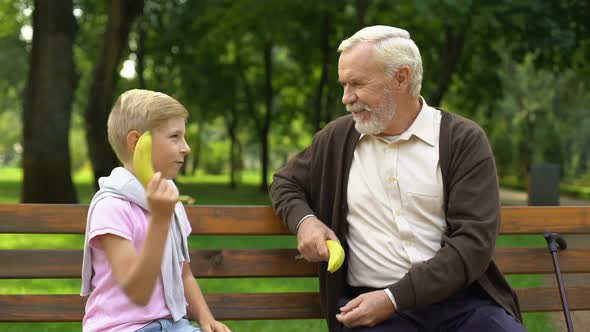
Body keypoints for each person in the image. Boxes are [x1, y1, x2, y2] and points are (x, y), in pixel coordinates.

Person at [270, 26, 526, 332]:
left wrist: (394, 298)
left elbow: (473, 244)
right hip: (370, 308)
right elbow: (285, 183)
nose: (346, 98)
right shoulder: (337, 138)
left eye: (357, 84)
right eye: (343, 84)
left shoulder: (462, 141)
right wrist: (305, 221)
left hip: (462, 306)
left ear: (401, 78)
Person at [81, 89, 231, 332]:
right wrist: (160, 220)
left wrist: (205, 318)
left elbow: (183, 274)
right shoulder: (111, 206)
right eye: (175, 136)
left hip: (174, 325)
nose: (186, 148)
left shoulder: (170, 200)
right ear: (137, 143)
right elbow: (138, 292)